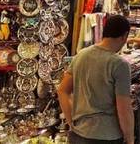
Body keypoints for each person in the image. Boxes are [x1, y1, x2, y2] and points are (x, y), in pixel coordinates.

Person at [57, 15, 134, 144]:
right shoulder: (119, 64)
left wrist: (71, 121)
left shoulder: (81, 55)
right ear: (124, 36)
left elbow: (62, 91)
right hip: (106, 135)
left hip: (79, 133)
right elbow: (124, 107)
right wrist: (130, 138)